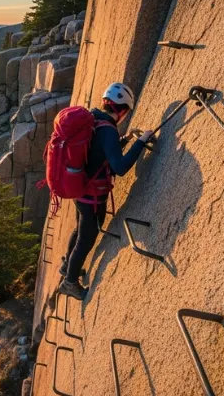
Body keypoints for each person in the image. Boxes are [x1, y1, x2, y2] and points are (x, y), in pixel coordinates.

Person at [58, 82, 153, 300]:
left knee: (80, 230)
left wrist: (125, 140)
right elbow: (120, 167)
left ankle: (67, 266)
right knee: (86, 239)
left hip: (79, 188)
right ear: (121, 110)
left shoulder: (94, 119)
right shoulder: (108, 130)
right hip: (91, 197)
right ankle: (69, 283)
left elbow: (99, 152)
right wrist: (141, 142)